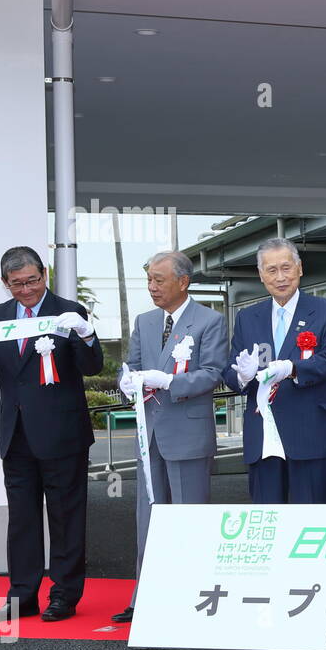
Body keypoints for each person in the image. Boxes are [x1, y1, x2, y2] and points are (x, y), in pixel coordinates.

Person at [0, 247, 103, 621]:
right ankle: (22, 595)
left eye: (32, 280)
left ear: (44, 274)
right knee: (23, 520)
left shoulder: (69, 311)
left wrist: (87, 334)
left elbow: (91, 366)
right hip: (15, 435)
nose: (26, 290)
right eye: (17, 284)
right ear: (5, 283)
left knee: (66, 518)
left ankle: (64, 595)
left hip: (63, 434)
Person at [111, 251, 227, 624]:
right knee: (148, 516)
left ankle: (192, 594)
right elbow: (131, 363)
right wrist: (125, 381)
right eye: (149, 280)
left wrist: (171, 382)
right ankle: (143, 594)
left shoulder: (209, 320)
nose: (152, 287)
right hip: (150, 434)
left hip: (188, 431)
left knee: (189, 518)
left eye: (159, 280)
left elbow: (212, 373)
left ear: (182, 282)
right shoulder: (145, 321)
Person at [223, 238, 326, 503]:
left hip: (312, 433)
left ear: (299, 269)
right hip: (263, 437)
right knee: (267, 519)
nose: (280, 277)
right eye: (271, 270)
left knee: (314, 520)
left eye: (286, 268)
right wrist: (241, 376)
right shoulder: (247, 317)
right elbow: (231, 366)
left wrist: (292, 368)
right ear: (261, 275)